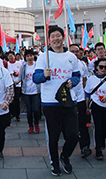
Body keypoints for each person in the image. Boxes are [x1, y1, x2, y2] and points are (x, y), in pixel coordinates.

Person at [33, 26, 81, 176]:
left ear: (63, 37)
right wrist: (44, 75)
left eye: (58, 35)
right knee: (53, 137)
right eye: (52, 36)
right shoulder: (44, 56)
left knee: (73, 135)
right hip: (50, 103)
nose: (56, 39)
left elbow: (77, 76)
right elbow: (36, 78)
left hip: (69, 101)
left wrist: (72, 81)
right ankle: (54, 162)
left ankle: (65, 157)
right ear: (49, 39)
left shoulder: (71, 57)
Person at [85, 58, 106, 160]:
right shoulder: (91, 79)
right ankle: (98, 149)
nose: (103, 69)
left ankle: (102, 141)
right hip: (96, 105)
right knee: (98, 126)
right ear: (96, 67)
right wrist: (86, 107)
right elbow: (87, 93)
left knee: (105, 127)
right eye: (101, 67)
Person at [69, 44, 91, 158]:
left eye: (76, 51)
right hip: (68, 99)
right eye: (72, 51)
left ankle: (85, 146)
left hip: (81, 99)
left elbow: (85, 79)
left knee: (82, 124)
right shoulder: (65, 64)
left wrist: (86, 95)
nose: (75, 53)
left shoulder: (82, 64)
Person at [20, 50, 41, 134]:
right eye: (28, 56)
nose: (30, 58)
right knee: (29, 110)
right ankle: (30, 126)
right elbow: (20, 76)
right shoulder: (24, 66)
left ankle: (36, 124)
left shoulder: (37, 65)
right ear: (25, 57)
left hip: (36, 90)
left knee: (36, 109)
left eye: (31, 56)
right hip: (26, 91)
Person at [7, 51, 22, 122]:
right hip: (10, 84)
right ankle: (11, 113)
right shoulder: (7, 64)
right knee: (10, 100)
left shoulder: (19, 63)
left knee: (16, 99)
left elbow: (21, 73)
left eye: (12, 56)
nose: (11, 57)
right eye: (9, 56)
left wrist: (17, 74)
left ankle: (17, 115)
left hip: (17, 84)